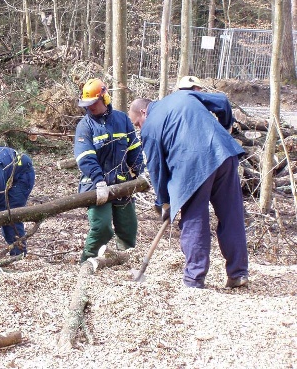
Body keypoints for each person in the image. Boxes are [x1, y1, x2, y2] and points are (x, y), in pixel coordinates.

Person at [129, 90, 249, 289]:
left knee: (194, 219)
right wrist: (224, 127)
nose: (138, 127)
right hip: (224, 154)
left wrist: (163, 202)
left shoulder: (149, 127)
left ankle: (194, 279)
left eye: (136, 123)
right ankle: (238, 273)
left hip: (192, 166)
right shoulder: (182, 96)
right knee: (231, 215)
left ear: (143, 112)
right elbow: (223, 101)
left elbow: (157, 169)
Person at [74, 78, 145, 263]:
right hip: (95, 185)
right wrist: (99, 180)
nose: (90, 107)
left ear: (105, 98)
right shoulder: (85, 126)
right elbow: (85, 158)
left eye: (94, 103)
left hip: (122, 183)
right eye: (87, 104)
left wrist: (140, 172)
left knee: (128, 227)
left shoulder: (121, 120)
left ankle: (125, 259)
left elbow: (134, 150)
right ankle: (87, 261)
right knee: (102, 227)